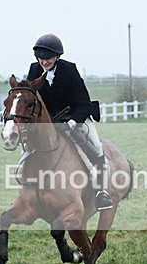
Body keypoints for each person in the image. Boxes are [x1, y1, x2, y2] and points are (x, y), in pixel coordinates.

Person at [26, 33, 114, 211]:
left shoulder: (69, 70)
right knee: (30, 147)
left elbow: (83, 101)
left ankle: (101, 192)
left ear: (57, 56)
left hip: (76, 117)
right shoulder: (34, 70)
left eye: (48, 58)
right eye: (40, 58)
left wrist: (74, 120)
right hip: (50, 123)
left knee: (96, 147)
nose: (43, 62)